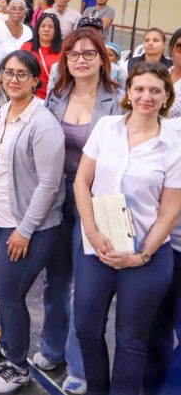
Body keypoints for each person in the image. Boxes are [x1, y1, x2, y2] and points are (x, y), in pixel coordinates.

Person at [73, 61, 181, 395]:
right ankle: (97, 389)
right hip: (98, 248)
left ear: (166, 97)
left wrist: (143, 254)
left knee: (132, 340)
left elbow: (170, 210)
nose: (146, 96)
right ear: (128, 92)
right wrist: (91, 232)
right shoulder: (107, 128)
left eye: (155, 91)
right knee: (87, 330)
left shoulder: (174, 145)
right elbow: (81, 181)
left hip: (145, 259)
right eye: (140, 89)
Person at [30, 26, 122, 395]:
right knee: (55, 281)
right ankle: (52, 348)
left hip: (96, 200)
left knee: (86, 289)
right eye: (74, 54)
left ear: (103, 58)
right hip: (56, 195)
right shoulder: (56, 96)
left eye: (88, 53)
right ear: (65, 60)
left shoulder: (117, 101)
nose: (81, 60)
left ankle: (80, 364)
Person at [0, 50, 66, 394]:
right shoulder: (3, 112)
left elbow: (48, 183)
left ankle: (17, 366)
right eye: (8, 73)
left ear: (35, 81)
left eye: (21, 75)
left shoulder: (42, 124)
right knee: (4, 292)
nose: (13, 80)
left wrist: (25, 229)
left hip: (29, 226)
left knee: (11, 294)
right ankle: (7, 348)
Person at [23, 13, 62, 99]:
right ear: (37, 29)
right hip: (30, 97)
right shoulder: (26, 47)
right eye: (43, 26)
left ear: (56, 31)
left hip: (54, 98)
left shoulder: (63, 50)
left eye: (51, 27)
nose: (46, 29)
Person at [0, 0, 33, 65]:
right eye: (14, 9)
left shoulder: (28, 31)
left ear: (25, 12)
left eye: (21, 9)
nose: (17, 11)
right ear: (8, 10)